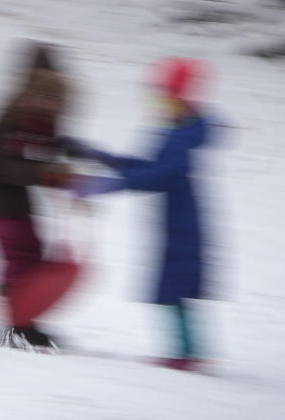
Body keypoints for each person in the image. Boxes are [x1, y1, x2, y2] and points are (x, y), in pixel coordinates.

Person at [65, 57, 216, 371]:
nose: (157, 103)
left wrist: (103, 185)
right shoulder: (179, 132)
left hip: (184, 227)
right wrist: (98, 156)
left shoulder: (182, 139)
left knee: (173, 290)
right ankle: (188, 352)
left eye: (163, 96)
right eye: (156, 96)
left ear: (181, 98)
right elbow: (147, 167)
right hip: (177, 223)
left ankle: (187, 353)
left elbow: (158, 176)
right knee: (172, 290)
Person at [0, 41, 80, 349]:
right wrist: (43, 173)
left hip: (15, 197)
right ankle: (13, 325)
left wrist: (62, 167)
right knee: (19, 257)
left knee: (32, 255)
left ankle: (23, 321)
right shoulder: (13, 113)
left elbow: (41, 150)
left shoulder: (37, 112)